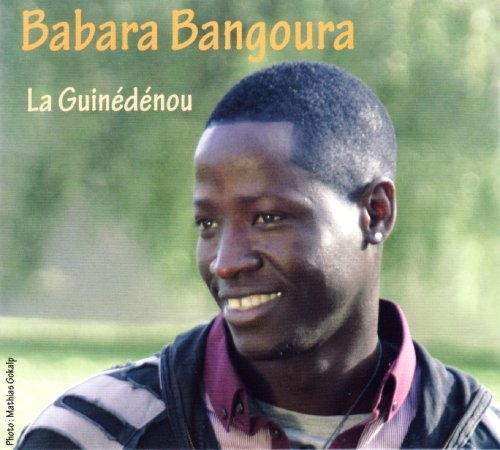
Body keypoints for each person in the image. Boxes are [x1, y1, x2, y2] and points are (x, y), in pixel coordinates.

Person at [16, 62, 500, 449]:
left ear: (376, 212)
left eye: (267, 218)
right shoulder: (88, 434)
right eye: (208, 224)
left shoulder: (480, 436)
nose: (225, 262)